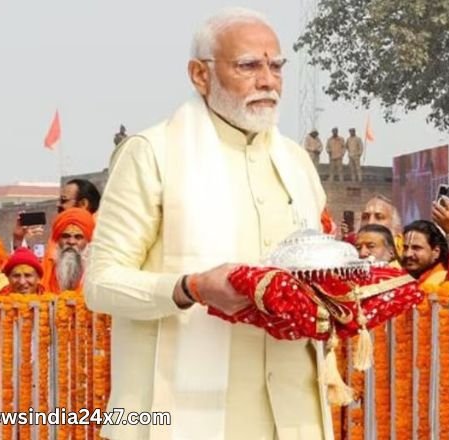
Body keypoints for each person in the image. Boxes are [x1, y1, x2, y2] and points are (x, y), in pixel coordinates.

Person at [84, 8, 331, 439]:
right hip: (176, 415)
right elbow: (100, 284)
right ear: (200, 75)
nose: (268, 81)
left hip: (293, 416)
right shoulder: (153, 153)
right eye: (248, 66)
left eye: (276, 67)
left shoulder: (296, 162)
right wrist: (190, 288)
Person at [41, 208, 95, 293]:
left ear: (87, 241)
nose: (71, 242)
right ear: (57, 240)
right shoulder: (46, 269)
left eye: (78, 237)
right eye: (66, 236)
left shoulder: (96, 273)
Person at [401, 220, 449, 286]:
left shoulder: (444, 281)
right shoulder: (399, 278)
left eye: (416, 248)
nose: (408, 254)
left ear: (436, 252)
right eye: (405, 248)